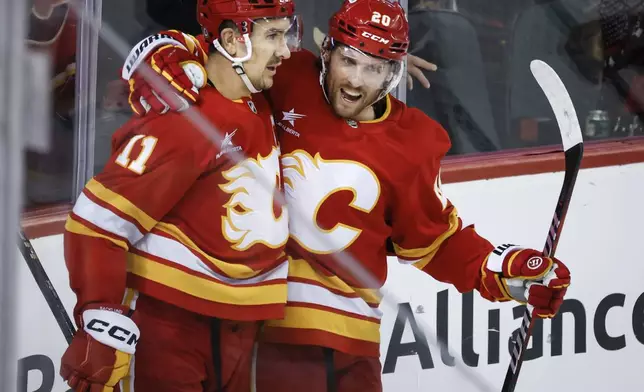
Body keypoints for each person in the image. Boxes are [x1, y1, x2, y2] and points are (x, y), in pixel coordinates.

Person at [123, 0, 572, 390]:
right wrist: (162, 53)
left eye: (375, 68)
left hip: (354, 346)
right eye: (349, 61)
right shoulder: (287, 76)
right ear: (325, 53)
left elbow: (433, 240)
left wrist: (502, 270)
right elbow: (218, 51)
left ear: (395, 72)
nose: (357, 81)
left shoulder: (414, 142)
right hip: (272, 340)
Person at [59, 1, 301, 391]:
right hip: (174, 325)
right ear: (231, 40)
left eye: (286, 34)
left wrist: (168, 45)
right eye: (273, 36)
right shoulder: (186, 120)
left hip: (243, 327)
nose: (286, 50)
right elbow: (96, 222)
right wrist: (100, 320)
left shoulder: (258, 94)